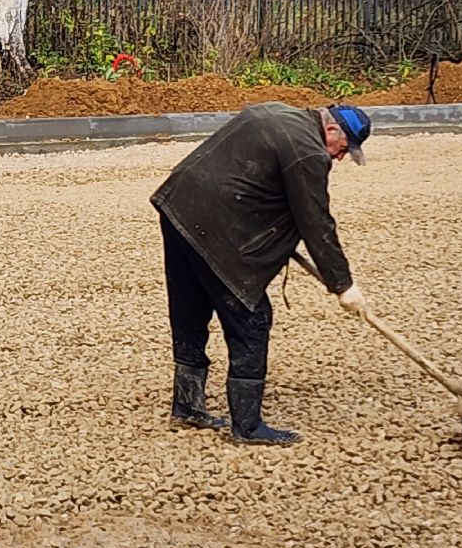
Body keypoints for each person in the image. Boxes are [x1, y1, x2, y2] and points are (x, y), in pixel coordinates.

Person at [150, 101, 372, 446]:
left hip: (178, 206)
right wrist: (343, 284)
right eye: (343, 150)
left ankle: (188, 404)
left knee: (190, 309)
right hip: (216, 226)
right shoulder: (308, 153)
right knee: (251, 320)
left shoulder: (275, 111)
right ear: (331, 131)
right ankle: (248, 426)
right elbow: (316, 222)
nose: (339, 158)